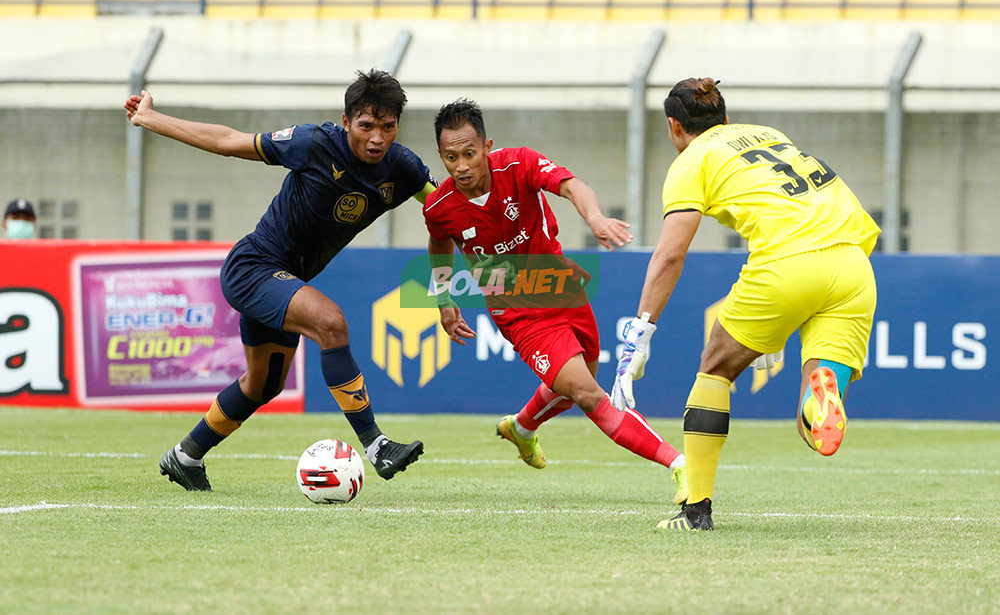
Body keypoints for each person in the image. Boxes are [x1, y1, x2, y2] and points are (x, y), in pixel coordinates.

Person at [124, 69, 436, 491]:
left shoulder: (404, 169)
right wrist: (150, 119)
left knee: (263, 384)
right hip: (253, 266)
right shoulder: (313, 143)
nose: (377, 138)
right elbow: (227, 142)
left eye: (388, 127)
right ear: (346, 123)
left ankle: (185, 456)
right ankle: (376, 444)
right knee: (330, 321)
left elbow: (447, 205)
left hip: (286, 279)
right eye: (366, 126)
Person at [613, 77, 879, 530]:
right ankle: (822, 400)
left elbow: (671, 253)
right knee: (808, 426)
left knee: (716, 367)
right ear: (726, 118)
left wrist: (641, 330)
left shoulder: (690, 161)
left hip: (788, 264)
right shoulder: (768, 134)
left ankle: (695, 512)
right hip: (854, 265)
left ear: (674, 128)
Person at [423, 99, 688, 506]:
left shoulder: (518, 165)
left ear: (487, 147)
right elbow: (439, 243)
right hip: (517, 312)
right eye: (450, 157)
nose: (460, 165)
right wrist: (444, 299)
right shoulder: (440, 207)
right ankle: (680, 466)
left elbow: (572, 186)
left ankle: (522, 427)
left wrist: (595, 219)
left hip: (562, 287)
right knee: (588, 392)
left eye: (469, 154)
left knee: (583, 377)